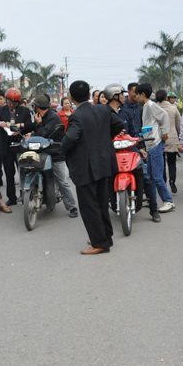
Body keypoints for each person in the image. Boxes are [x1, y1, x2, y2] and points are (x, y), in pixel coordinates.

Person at [62, 80, 123, 254]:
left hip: (86, 167)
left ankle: (99, 243)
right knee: (102, 203)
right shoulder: (103, 109)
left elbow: (71, 138)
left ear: (72, 98)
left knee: (89, 206)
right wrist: (104, 139)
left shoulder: (77, 116)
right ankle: (106, 237)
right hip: (104, 163)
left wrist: (61, 149)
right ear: (89, 95)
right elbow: (119, 124)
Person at [30, 94, 78, 218]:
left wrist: (39, 124)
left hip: (56, 153)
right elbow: (35, 132)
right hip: (42, 152)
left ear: (38, 107)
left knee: (63, 182)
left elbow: (44, 134)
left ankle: (72, 207)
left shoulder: (53, 118)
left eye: (35, 106)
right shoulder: (40, 116)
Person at [105, 84, 146, 216]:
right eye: (121, 94)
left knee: (144, 173)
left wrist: (140, 147)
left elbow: (134, 132)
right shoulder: (102, 113)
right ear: (114, 96)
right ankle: (108, 202)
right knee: (106, 177)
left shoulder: (126, 112)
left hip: (129, 148)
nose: (124, 97)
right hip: (110, 150)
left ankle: (153, 208)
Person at [135, 83, 173, 215]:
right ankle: (154, 202)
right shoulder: (146, 106)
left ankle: (168, 201)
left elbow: (164, 116)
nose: (135, 97)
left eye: (137, 94)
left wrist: (165, 133)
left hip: (156, 144)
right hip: (150, 145)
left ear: (143, 95)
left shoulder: (151, 105)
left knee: (156, 176)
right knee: (151, 176)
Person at [0, 87, 33, 205]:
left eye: (14, 103)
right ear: (6, 100)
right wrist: (0, 123)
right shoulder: (0, 111)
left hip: (21, 144)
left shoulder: (25, 111)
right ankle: (12, 198)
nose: (11, 105)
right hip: (6, 145)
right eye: (9, 102)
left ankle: (25, 195)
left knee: (24, 171)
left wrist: (21, 126)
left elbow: (30, 125)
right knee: (9, 173)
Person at [156, 89, 181, 194]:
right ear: (166, 97)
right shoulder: (173, 108)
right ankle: (172, 181)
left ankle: (164, 183)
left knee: (161, 164)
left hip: (157, 139)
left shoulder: (154, 108)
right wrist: (178, 136)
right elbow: (178, 125)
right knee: (172, 163)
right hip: (171, 138)